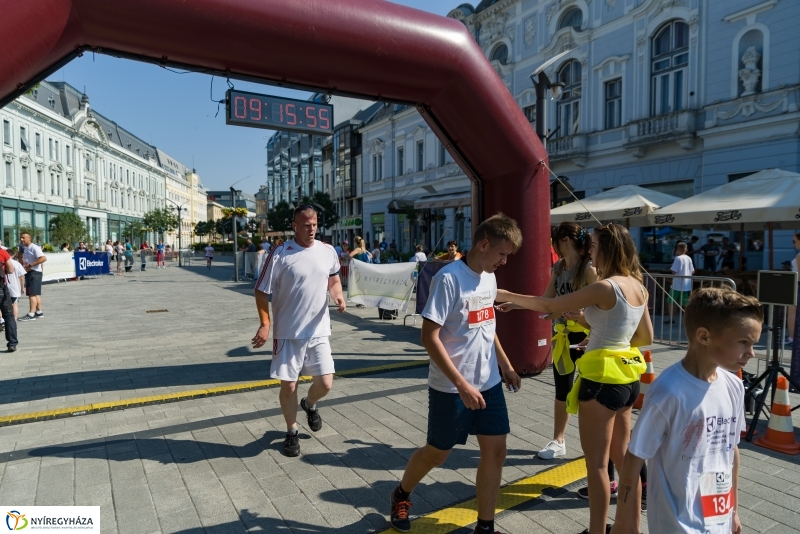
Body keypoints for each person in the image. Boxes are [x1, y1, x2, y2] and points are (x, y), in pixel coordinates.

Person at [498, 224, 654, 534]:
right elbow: (645, 335)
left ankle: (597, 531)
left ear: (608, 248)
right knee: (624, 462)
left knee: (596, 465)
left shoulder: (606, 287)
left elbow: (549, 305)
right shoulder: (638, 285)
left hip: (600, 380)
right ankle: (630, 528)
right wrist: (599, 331)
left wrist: (500, 292)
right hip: (626, 378)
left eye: (594, 245)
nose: (590, 249)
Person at [388, 213, 522, 534]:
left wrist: (504, 363)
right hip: (451, 388)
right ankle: (401, 494)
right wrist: (460, 384)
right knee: (438, 453)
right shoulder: (449, 279)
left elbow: (487, 324)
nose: (504, 261)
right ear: (484, 244)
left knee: (496, 451)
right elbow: (428, 337)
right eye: (502, 253)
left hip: (488, 383)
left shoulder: (489, 277)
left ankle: (485, 527)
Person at [610, 287, 761, 534]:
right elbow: (634, 458)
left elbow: (731, 451)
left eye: (753, 343)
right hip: (675, 522)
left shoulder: (734, 386)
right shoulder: (668, 392)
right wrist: (625, 521)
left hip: (718, 519)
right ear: (703, 336)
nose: (751, 353)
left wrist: (733, 510)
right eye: (743, 342)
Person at [251, 205, 345, 457]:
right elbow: (261, 291)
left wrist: (338, 296)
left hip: (318, 330)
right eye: (305, 225)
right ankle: (291, 431)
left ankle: (310, 404)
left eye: (314, 224)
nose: (311, 229)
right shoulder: (280, 253)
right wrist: (265, 323)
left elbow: (333, 279)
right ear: (295, 226)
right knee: (289, 385)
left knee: (325, 383)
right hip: (288, 333)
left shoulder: (327, 251)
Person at [528, 223, 596, 461]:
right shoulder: (558, 266)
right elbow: (547, 300)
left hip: (588, 336)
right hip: (562, 336)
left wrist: (577, 313)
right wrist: (516, 304)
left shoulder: (589, 268)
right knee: (562, 391)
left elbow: (601, 304)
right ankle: (559, 440)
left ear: (564, 240)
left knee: (591, 393)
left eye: (553, 241)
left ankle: (597, 443)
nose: (552, 246)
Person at [19, 232, 46, 323]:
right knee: (36, 294)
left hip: (34, 273)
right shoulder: (26, 248)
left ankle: (31, 314)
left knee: (32, 294)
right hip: (32, 272)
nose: (21, 239)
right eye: (21, 238)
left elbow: (43, 258)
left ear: (29, 238)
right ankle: (39, 312)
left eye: (23, 238)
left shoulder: (34, 247)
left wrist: (31, 265)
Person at [666, 242, 694, 324]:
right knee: (685, 303)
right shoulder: (689, 258)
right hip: (686, 284)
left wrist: (672, 266)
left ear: (677, 249)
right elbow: (693, 271)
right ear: (686, 250)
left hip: (677, 284)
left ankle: (671, 319)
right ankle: (687, 320)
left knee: (671, 301)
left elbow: (674, 271)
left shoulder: (678, 258)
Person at [0, 247, 17, 351]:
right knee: (8, 316)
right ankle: (12, 343)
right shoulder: (2, 252)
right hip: (1, 288)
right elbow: (11, 270)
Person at [786, 232, 800, 346]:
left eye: (794, 241)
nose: (793, 243)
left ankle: (792, 338)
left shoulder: (799, 255)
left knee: (792, 313)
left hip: (797, 285)